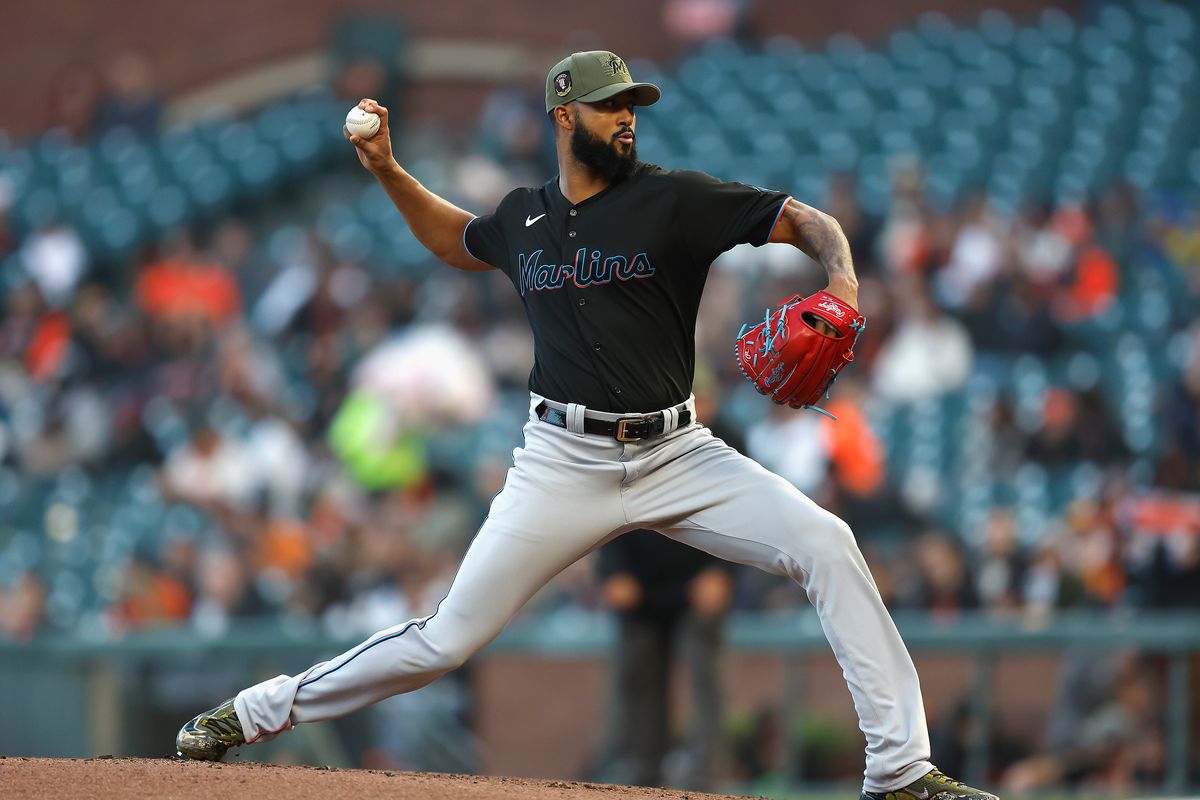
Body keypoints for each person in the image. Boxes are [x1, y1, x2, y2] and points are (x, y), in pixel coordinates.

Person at [175, 50, 998, 800]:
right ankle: (252, 714)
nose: (627, 116)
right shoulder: (523, 216)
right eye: (609, 105)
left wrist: (844, 286)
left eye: (632, 103)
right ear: (565, 117)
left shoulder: (675, 199)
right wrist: (389, 169)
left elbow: (807, 221)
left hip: (679, 450)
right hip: (561, 461)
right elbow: (456, 241)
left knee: (827, 544)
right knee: (444, 641)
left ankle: (900, 773)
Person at [597, 529, 731, 790]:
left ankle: (705, 782)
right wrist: (612, 571)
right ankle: (641, 779)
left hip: (699, 582)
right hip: (638, 587)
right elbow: (607, 504)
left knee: (705, 681)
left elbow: (736, 507)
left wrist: (723, 569)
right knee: (638, 680)